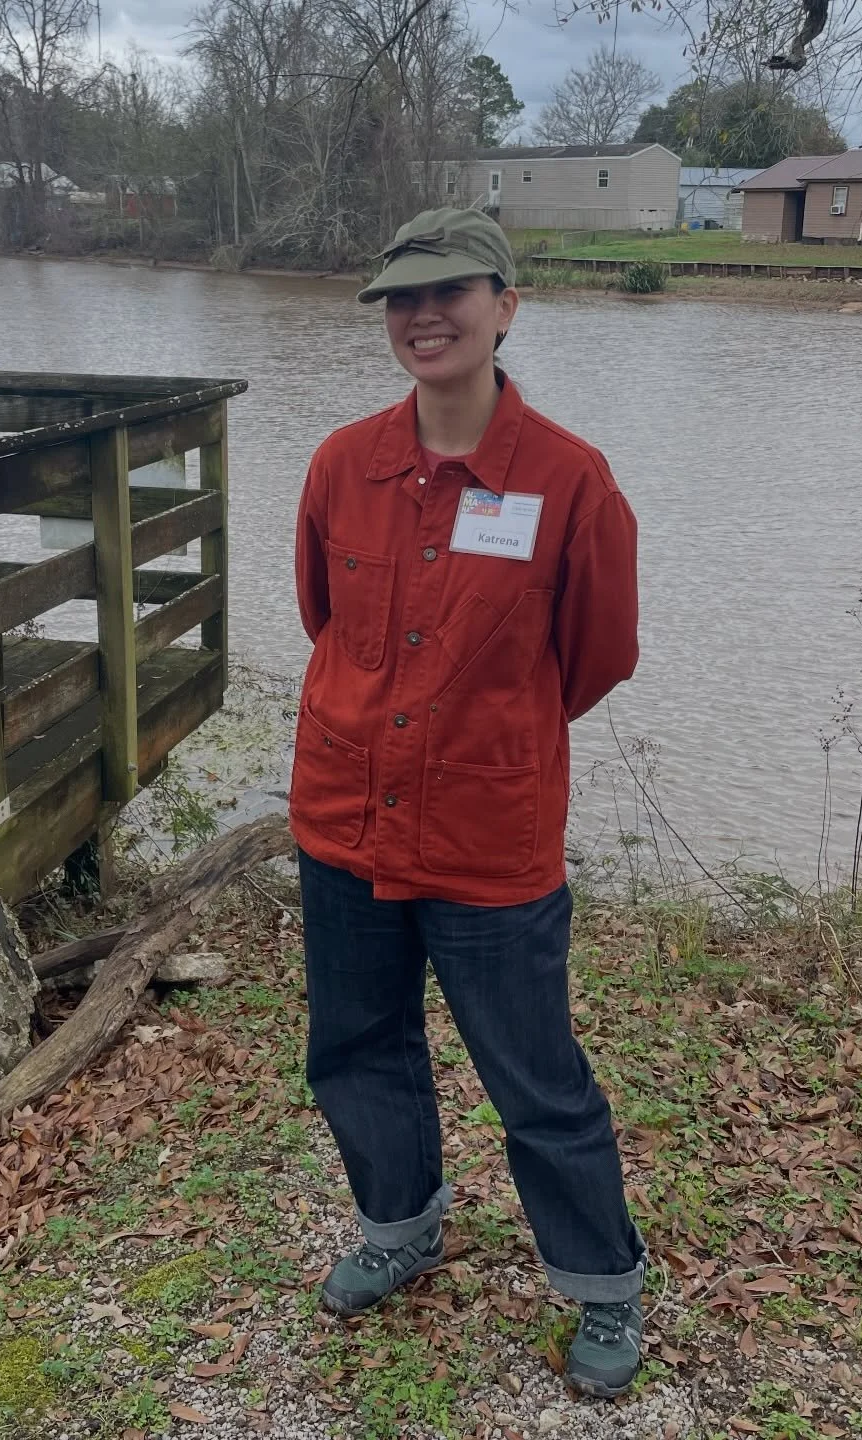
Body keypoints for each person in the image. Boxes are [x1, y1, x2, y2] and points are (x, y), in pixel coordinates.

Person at [289, 207, 646, 1398]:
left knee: (534, 1073)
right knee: (354, 1046)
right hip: (344, 816)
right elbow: (325, 626)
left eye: (450, 292)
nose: (423, 315)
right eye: (401, 297)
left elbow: (594, 656)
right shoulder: (343, 464)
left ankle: (602, 1285)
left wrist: (486, 739)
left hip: (490, 837)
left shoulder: (569, 479)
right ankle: (401, 1223)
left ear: (506, 303)